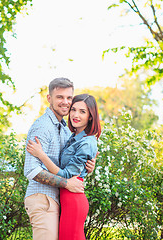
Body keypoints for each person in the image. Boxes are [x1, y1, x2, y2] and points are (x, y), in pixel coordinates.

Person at [23, 78, 96, 240]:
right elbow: (31, 169)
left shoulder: (65, 130)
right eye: (59, 97)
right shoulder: (42, 126)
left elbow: (72, 165)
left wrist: (88, 166)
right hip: (42, 199)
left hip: (59, 199)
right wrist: (65, 183)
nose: (65, 102)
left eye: (69, 98)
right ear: (49, 98)